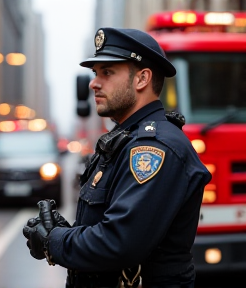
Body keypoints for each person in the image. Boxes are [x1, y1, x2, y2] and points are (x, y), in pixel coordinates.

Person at [23, 27, 212, 288]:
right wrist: (66, 231)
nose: (94, 83)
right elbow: (110, 224)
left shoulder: (153, 148)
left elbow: (118, 242)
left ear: (142, 79)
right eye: (95, 73)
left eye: (107, 72)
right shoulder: (124, 139)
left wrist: (53, 241)